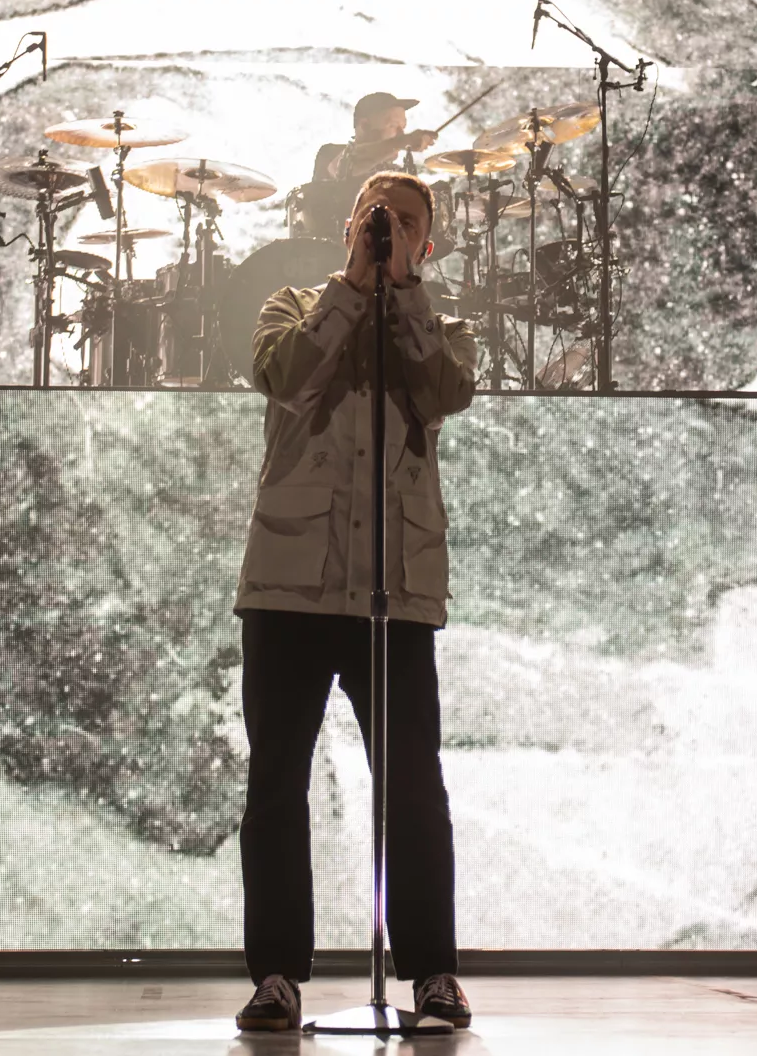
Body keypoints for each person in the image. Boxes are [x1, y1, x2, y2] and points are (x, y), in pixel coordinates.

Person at [232, 172, 478, 1033]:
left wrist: (403, 294)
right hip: (290, 586)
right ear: (347, 228)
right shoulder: (291, 309)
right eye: (377, 218)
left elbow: (444, 392)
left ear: (427, 244)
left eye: (405, 223)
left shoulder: (442, 329)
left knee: (413, 788)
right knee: (276, 784)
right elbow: (286, 378)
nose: (387, 231)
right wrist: (351, 290)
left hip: (395, 593)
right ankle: (276, 977)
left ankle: (434, 974)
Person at [313, 92, 439, 185]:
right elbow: (346, 165)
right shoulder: (330, 154)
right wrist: (402, 142)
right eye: (393, 125)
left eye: (403, 127)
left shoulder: (397, 173)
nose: (401, 133)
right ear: (364, 126)